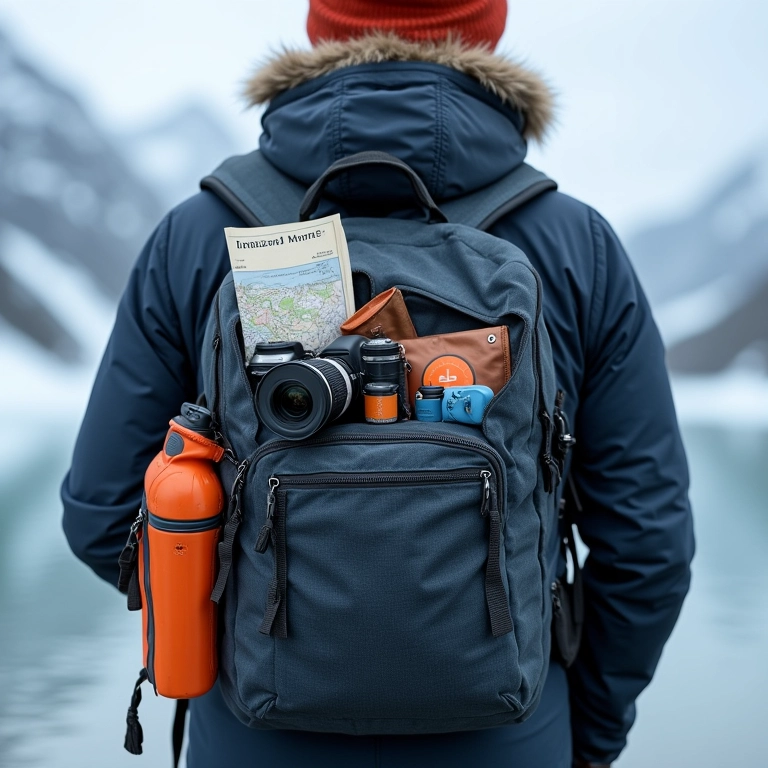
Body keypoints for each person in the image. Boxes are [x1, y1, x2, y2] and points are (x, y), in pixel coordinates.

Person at [61, 1, 695, 766]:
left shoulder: (197, 236)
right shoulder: (573, 245)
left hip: (253, 733)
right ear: (486, 29)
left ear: (320, 27)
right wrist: (583, 733)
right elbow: (650, 545)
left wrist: (245, 610)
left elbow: (103, 514)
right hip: (509, 734)